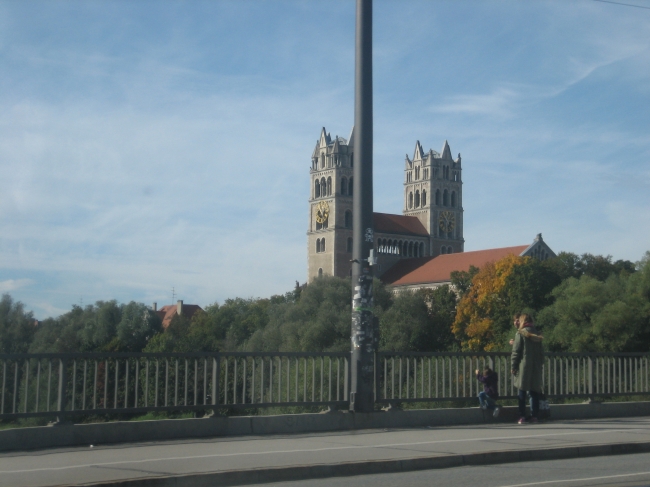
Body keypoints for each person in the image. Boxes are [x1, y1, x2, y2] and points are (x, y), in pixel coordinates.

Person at [511, 313, 544, 424]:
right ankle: (534, 416)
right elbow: (541, 353)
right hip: (536, 366)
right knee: (534, 392)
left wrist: (513, 366)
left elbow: (516, 352)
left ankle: (522, 416)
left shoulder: (520, 334)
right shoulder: (538, 334)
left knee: (522, 391)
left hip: (523, 366)